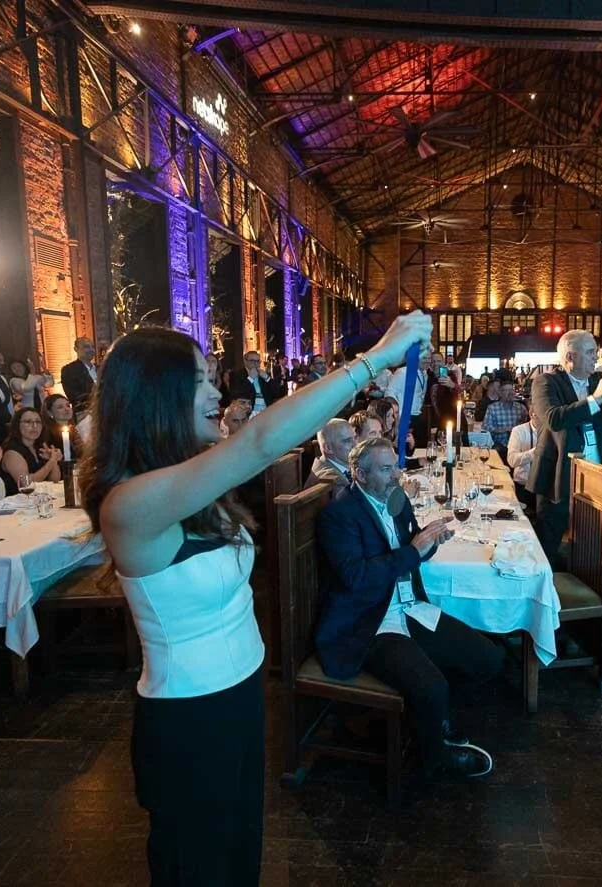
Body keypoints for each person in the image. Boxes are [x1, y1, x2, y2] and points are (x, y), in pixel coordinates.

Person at [80, 313, 433, 885]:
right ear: (155, 397)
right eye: (199, 380)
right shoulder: (128, 504)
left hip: (241, 695)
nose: (217, 391)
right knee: (197, 867)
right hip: (190, 716)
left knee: (241, 857)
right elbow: (265, 437)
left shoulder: (193, 483)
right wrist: (376, 358)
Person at [315, 437, 502, 779]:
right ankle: (435, 759)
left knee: (487, 659)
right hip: (369, 621)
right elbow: (356, 578)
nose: (396, 475)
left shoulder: (397, 501)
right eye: (386, 469)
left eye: (396, 467)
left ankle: (431, 719)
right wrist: (415, 550)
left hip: (408, 606)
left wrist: (430, 542)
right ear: (359, 473)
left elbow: (413, 549)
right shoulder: (339, 515)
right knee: (431, 686)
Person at [526, 331, 602, 567]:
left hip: (600, 473)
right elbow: (554, 419)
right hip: (559, 473)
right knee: (549, 543)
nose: (595, 356)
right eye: (589, 352)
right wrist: (596, 399)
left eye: (595, 351)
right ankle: (549, 594)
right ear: (569, 356)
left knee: (597, 542)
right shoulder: (546, 382)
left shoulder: (599, 381)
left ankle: (591, 588)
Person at [0, 407, 62, 496]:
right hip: (17, 503)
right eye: (28, 422)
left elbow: (55, 480)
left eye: (38, 422)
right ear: (17, 425)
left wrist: (53, 460)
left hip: (40, 498)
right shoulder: (11, 452)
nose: (34, 426)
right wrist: (51, 462)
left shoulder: (40, 447)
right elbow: (26, 485)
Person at [481, 380, 528, 463]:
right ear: (500, 393)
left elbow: (527, 425)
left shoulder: (521, 408)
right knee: (496, 450)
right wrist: (505, 429)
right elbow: (485, 428)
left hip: (518, 445)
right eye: (506, 390)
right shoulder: (492, 408)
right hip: (500, 444)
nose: (510, 393)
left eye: (511, 390)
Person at [305, 417, 356, 490]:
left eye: (354, 438)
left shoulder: (344, 465)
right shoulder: (333, 481)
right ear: (328, 448)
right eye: (347, 441)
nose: (355, 444)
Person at [60, 337, 98, 416]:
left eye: (92, 347)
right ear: (76, 349)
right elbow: (73, 396)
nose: (91, 349)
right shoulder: (69, 370)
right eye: (86, 347)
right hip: (84, 414)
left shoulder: (101, 368)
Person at [505, 419, 538, 510]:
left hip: (545, 489)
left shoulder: (552, 431)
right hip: (524, 486)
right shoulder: (519, 431)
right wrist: (533, 453)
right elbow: (512, 461)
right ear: (533, 414)